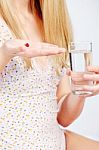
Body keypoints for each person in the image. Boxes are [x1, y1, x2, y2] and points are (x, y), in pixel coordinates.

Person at [0, 0, 99, 149]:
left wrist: (80, 90)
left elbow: (63, 118)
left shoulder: (53, 21)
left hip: (54, 141)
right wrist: (4, 53)